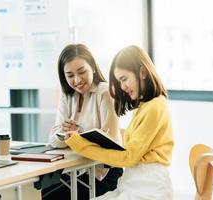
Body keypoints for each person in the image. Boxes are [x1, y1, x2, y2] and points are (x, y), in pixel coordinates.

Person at [65, 45, 174, 200]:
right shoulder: (145, 106)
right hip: (136, 183)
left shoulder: (155, 107)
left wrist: (81, 144)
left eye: (124, 79)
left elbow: (129, 158)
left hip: (148, 188)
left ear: (142, 72)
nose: (122, 87)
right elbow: (138, 145)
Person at [43, 44, 123, 200]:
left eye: (81, 72)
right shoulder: (67, 97)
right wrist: (67, 136)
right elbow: (53, 140)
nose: (77, 80)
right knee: (36, 195)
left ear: (92, 67)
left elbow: (111, 141)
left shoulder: (106, 93)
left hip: (103, 172)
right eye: (70, 75)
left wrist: (76, 136)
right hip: (76, 170)